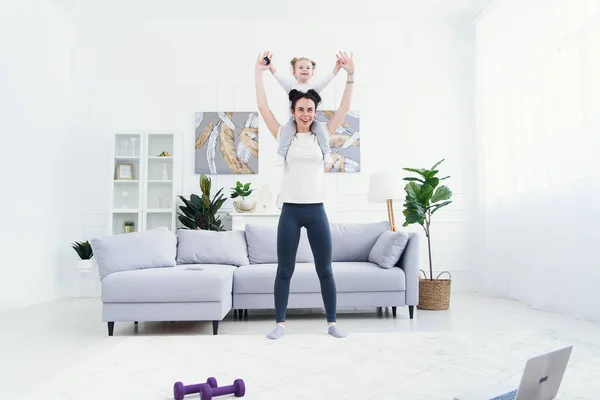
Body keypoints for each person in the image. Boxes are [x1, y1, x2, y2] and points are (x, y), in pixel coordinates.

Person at [255, 50, 355, 340]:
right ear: (293, 112)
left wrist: (351, 73)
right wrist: (257, 72)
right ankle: (280, 323)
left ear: (314, 112)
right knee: (284, 270)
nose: (306, 113)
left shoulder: (321, 135)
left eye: (310, 109)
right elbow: (262, 107)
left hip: (316, 210)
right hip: (290, 210)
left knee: (325, 270)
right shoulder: (284, 136)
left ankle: (332, 322)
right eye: (301, 109)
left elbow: (346, 107)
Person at [265, 52, 342, 169]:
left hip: (312, 120)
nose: (304, 69)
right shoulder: (291, 86)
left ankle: (326, 153)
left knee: (321, 130)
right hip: (294, 119)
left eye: (308, 67)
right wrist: (270, 66)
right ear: (294, 72)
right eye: (300, 67)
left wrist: (336, 68)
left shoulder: (314, 88)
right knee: (286, 132)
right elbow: (278, 76)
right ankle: (281, 154)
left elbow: (327, 80)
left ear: (312, 72)